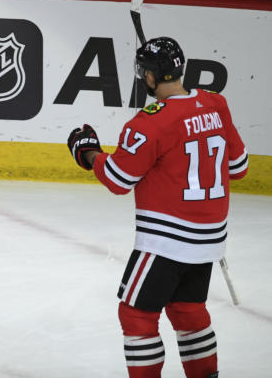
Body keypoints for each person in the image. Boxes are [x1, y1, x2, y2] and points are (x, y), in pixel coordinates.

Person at [66, 36, 248, 378]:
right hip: (209, 239)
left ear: (150, 78)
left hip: (167, 241)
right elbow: (239, 168)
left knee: (136, 315)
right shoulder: (215, 104)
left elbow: (118, 179)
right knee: (188, 311)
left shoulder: (150, 122)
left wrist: (87, 152)